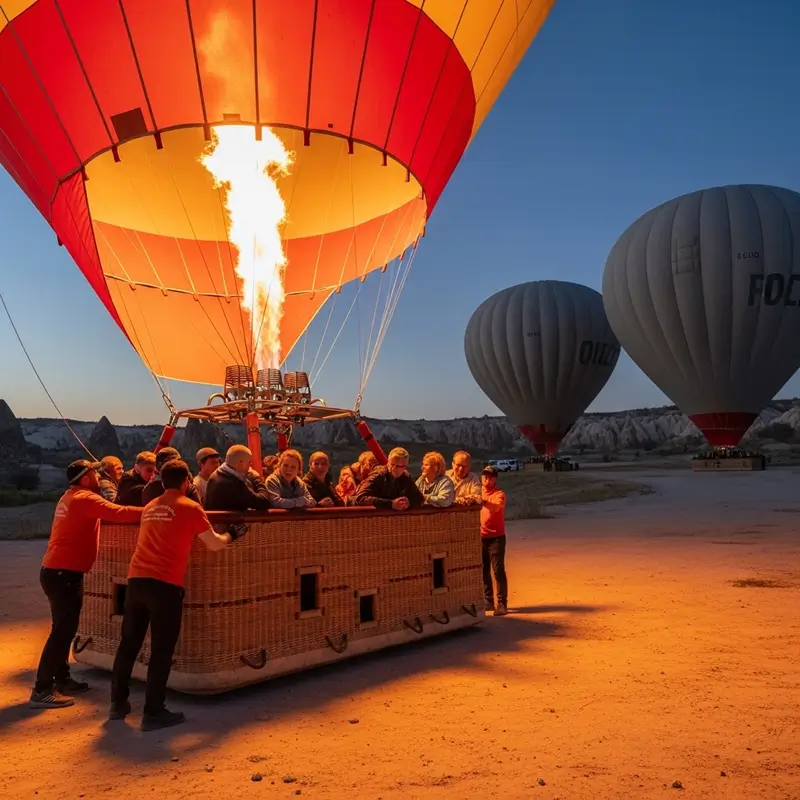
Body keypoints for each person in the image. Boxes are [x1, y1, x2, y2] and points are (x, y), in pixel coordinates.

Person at [109, 460, 244, 731]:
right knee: (161, 650)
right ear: (186, 482)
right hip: (164, 584)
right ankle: (153, 712)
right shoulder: (190, 507)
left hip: (136, 580)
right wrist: (231, 535)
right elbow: (214, 544)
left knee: (128, 645)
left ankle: (117, 704)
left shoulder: (150, 507)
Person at [30, 460, 143, 709]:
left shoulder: (69, 497)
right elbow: (119, 512)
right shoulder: (85, 498)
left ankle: (62, 679)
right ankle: (41, 689)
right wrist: (153, 510)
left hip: (56, 571)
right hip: (64, 574)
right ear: (84, 478)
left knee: (64, 629)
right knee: (61, 632)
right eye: (93, 472)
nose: (97, 475)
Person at [353, 447, 424, 510]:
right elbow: (359, 499)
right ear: (389, 463)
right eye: (394, 465)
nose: (398, 470)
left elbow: (419, 499)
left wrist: (408, 503)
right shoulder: (378, 475)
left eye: (402, 466)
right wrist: (391, 504)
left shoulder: (405, 476)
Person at [204, 444, 271, 511]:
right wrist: (255, 477)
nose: (250, 465)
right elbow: (263, 501)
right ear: (240, 464)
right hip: (229, 521)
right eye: (249, 462)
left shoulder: (217, 474)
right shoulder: (232, 484)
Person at [480, 465, 508, 616]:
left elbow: (496, 507)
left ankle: (502, 603)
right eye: (484, 475)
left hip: (496, 537)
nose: (486, 478)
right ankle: (488, 601)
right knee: (484, 570)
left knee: (498, 570)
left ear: (495, 479)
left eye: (490, 476)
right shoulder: (477, 492)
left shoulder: (499, 494)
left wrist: (483, 502)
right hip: (481, 537)